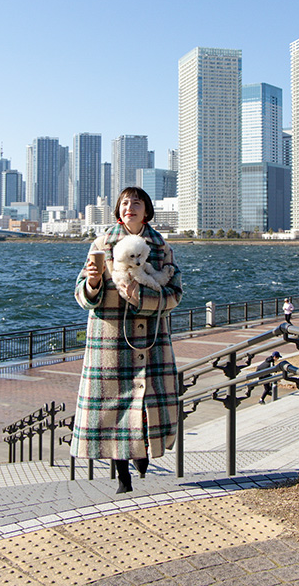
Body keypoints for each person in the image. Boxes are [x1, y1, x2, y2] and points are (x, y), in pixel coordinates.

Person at [72, 187, 183, 494]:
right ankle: (123, 477)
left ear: (147, 211)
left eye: (136, 202)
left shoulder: (161, 248)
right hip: (110, 343)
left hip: (150, 341)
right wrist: (93, 282)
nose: (129, 206)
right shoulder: (101, 244)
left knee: (146, 403)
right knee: (113, 410)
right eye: (124, 202)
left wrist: (139, 298)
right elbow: (82, 296)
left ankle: (142, 454)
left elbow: (175, 295)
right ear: (118, 211)